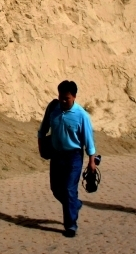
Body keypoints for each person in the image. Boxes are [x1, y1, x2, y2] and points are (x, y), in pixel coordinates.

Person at [37, 80, 96, 238]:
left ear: (74, 97)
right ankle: (75, 204)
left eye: (67, 98)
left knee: (69, 189)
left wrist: (92, 161)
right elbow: (42, 130)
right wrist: (41, 146)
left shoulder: (81, 115)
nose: (63, 101)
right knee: (56, 189)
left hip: (73, 157)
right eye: (61, 97)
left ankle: (70, 225)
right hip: (56, 155)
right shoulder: (53, 109)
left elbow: (89, 140)